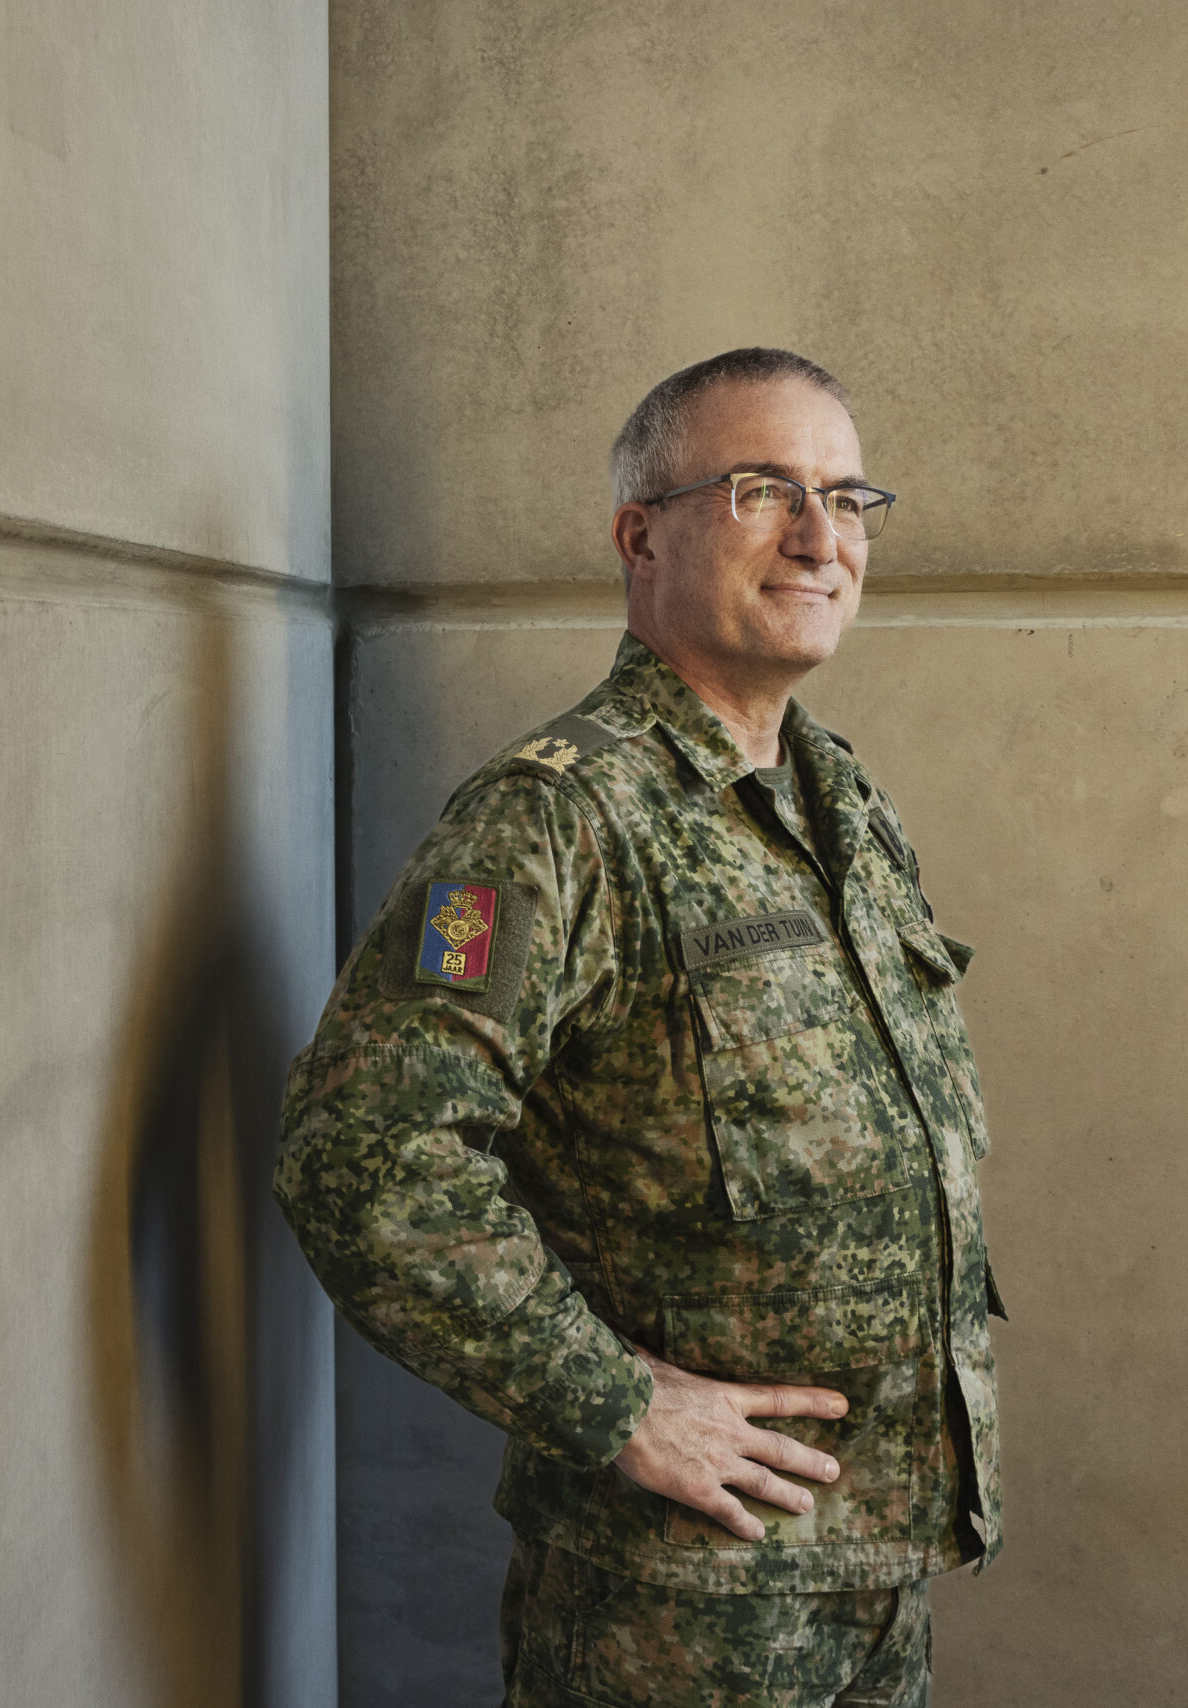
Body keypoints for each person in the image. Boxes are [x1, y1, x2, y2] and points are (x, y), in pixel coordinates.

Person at [274, 348, 1003, 1706]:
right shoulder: (557, 818)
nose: (818, 536)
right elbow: (362, 1157)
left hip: (870, 1570)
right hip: (679, 1611)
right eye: (762, 489)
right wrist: (615, 1403)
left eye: (848, 498)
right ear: (639, 533)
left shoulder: (833, 799)